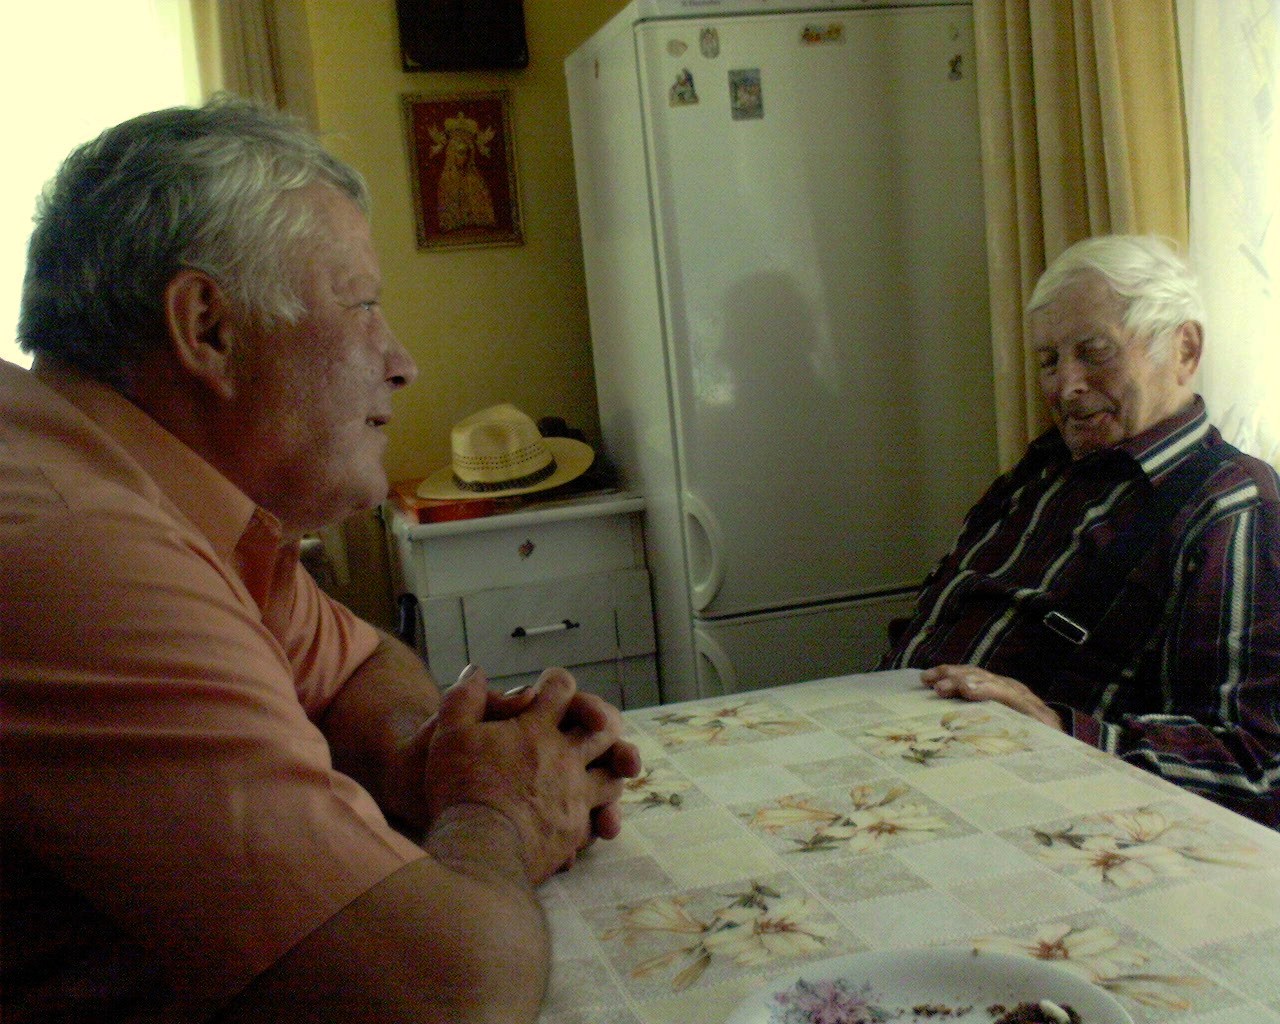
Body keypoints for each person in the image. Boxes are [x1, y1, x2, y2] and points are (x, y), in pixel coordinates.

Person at [0, 96, 641, 1023]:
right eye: (363, 305)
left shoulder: (148, 489)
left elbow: (357, 664)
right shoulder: (79, 547)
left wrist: (429, 757)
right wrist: (496, 812)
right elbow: (444, 994)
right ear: (208, 328)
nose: (403, 362)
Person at [879, 234, 1280, 827]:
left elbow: (1258, 764)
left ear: (1185, 349)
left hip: (1025, 806)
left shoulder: (1233, 506)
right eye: (1049, 361)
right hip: (896, 755)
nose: (1065, 386)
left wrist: (1056, 727)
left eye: (1095, 353)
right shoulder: (1042, 469)